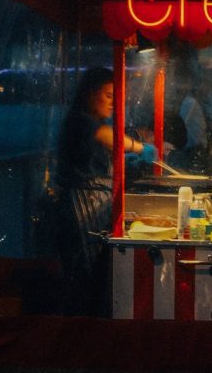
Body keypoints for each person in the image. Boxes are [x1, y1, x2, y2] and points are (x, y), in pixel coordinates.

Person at [53, 66, 156, 314]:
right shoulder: (82, 121)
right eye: (109, 96)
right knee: (87, 274)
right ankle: (86, 325)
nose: (113, 103)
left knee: (95, 271)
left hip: (94, 205)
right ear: (89, 94)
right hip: (82, 206)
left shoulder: (92, 122)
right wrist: (141, 148)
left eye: (116, 97)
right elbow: (108, 136)